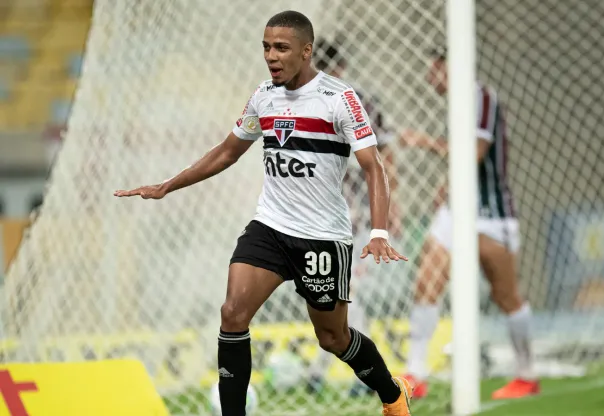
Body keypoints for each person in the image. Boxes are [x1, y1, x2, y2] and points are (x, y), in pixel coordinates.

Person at [115, 11, 413, 416]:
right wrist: (168, 185)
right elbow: (226, 152)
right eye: (267, 47)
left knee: (332, 337)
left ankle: (392, 395)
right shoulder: (263, 96)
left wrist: (379, 231)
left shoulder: (339, 99)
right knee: (232, 313)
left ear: (306, 51)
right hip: (270, 226)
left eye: (282, 48)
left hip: (322, 236)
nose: (271, 56)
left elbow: (373, 166)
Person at [399, 50, 539, 400]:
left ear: (452, 69)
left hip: (491, 213)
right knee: (427, 277)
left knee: (505, 294)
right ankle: (416, 372)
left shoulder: (483, 97)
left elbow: (474, 153)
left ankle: (526, 373)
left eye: (436, 71)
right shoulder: (459, 104)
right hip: (457, 209)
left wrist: (424, 142)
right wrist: (447, 187)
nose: (432, 80)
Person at [305, 37, 401, 397]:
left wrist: (389, 215)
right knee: (328, 294)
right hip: (321, 219)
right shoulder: (300, 103)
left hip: (357, 219)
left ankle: (354, 376)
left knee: (349, 293)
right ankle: (321, 369)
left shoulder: (361, 104)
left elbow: (385, 160)